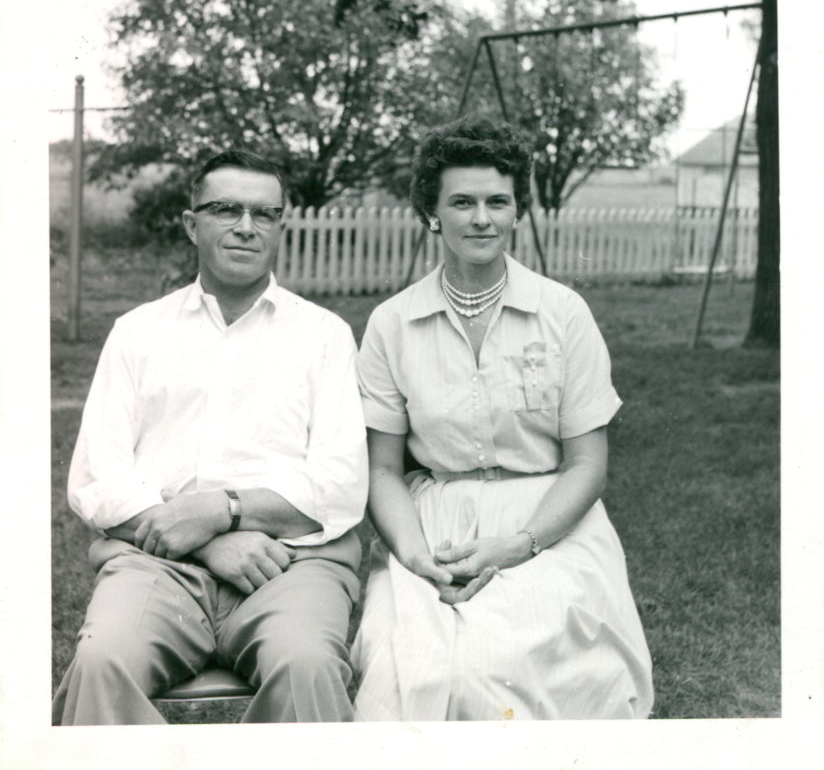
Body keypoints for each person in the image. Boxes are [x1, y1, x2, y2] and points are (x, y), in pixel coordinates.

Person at [351, 115, 654, 720]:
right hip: (434, 524)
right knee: (402, 666)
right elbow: (382, 470)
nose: (481, 218)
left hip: (549, 523)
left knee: (504, 664)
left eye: (498, 201)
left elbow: (588, 463)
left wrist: (518, 547)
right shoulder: (392, 323)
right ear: (432, 213)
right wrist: (414, 559)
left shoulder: (563, 313)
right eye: (461, 202)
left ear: (518, 210)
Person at [53, 149, 368, 725]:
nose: (246, 227)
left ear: (281, 225)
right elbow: (99, 477)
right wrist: (206, 542)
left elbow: (340, 484)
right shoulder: (137, 333)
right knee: (101, 663)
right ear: (190, 223)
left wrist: (222, 511)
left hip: (290, 564)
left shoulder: (324, 336)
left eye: (264, 214)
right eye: (226, 209)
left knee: (307, 666)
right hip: (157, 565)